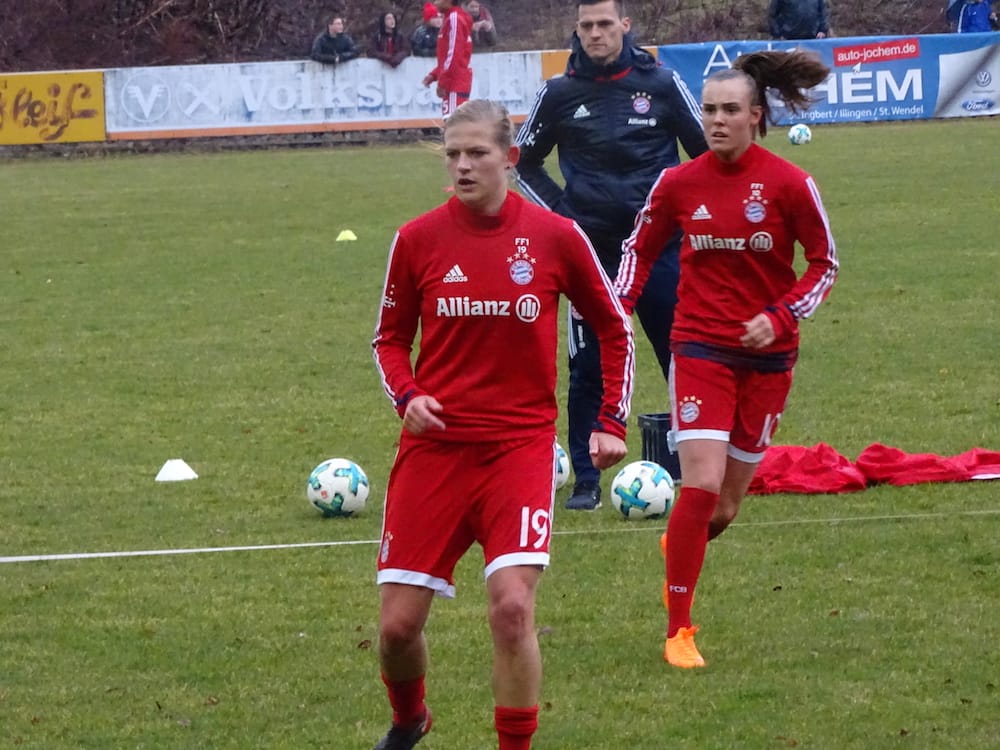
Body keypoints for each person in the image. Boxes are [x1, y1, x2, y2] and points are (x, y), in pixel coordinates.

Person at [371, 99, 634, 750]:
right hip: (434, 452)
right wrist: (407, 397)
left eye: (476, 153)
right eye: (453, 154)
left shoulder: (554, 236)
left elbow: (613, 328)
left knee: (513, 609)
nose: (462, 165)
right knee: (397, 631)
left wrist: (609, 420)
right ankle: (411, 720)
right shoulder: (417, 239)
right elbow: (387, 340)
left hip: (518, 450)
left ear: (509, 159)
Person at [613, 49, 839, 669]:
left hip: (769, 359)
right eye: (709, 109)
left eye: (730, 110)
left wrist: (781, 315)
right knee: (702, 483)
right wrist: (617, 309)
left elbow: (825, 265)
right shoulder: (679, 184)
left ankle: (682, 541)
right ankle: (679, 630)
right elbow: (638, 250)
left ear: (756, 116)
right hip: (700, 347)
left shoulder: (791, 184)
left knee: (725, 506)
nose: (716, 120)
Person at [515, 0, 707, 511]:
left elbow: (706, 158)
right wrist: (562, 216)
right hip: (589, 255)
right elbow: (523, 162)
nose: (596, 34)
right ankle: (585, 480)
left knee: (681, 355)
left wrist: (681, 214)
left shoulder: (662, 84)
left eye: (605, 24)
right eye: (587, 26)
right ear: (576, 30)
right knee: (587, 366)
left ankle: (693, 467)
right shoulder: (558, 94)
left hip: (660, 249)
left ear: (625, 25)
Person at [422, 0, 474, 119]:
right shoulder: (450, 18)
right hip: (454, 79)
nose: (435, 3)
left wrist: (443, 81)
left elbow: (454, 53)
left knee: (454, 125)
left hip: (455, 82)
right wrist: (434, 74)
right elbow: (449, 56)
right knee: (455, 124)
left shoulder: (454, 19)